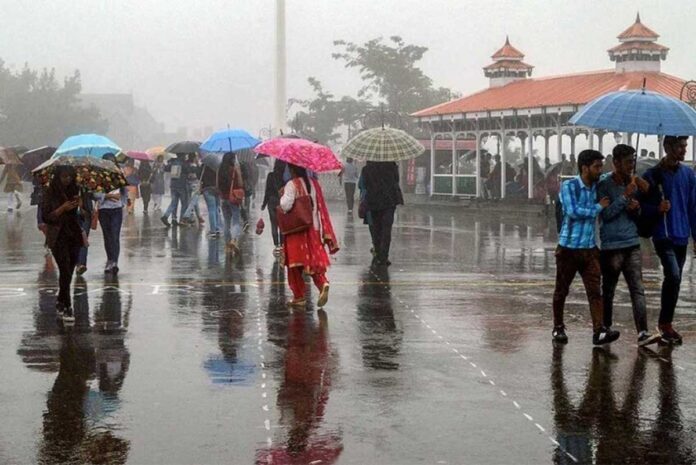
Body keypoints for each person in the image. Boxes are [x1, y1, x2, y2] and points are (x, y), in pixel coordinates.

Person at [551, 149, 619, 346]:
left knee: (594, 291)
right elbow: (572, 211)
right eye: (596, 167)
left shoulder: (598, 185)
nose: (600, 170)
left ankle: (598, 331)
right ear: (584, 167)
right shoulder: (568, 186)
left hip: (589, 249)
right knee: (561, 290)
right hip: (568, 248)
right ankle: (558, 327)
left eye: (601, 166)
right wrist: (599, 207)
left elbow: (610, 176)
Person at [597, 144, 659, 346]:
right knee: (609, 290)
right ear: (616, 162)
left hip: (632, 242)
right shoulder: (604, 184)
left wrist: (636, 207)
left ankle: (642, 332)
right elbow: (606, 214)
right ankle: (605, 328)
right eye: (628, 162)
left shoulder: (633, 182)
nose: (631, 165)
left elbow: (636, 215)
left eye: (633, 161)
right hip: (612, 245)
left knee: (637, 289)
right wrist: (625, 197)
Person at [639, 135, 696, 344]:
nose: (683, 150)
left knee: (676, 279)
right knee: (672, 274)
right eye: (680, 146)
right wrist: (656, 208)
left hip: (682, 235)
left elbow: (693, 207)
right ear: (667, 147)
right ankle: (665, 323)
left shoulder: (689, 175)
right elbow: (640, 206)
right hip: (662, 234)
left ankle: (666, 324)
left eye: (685, 146)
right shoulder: (652, 175)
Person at [279, 163, 338, 308]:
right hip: (314, 228)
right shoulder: (314, 184)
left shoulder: (292, 185)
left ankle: (299, 296)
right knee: (312, 261)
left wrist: (282, 196)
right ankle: (322, 282)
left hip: (297, 229)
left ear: (292, 170)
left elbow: (286, 206)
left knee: (294, 264)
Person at [41, 165, 87, 323]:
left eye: (69, 176)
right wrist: (62, 208)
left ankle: (60, 300)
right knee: (64, 267)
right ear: (58, 177)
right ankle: (67, 306)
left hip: (73, 234)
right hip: (57, 236)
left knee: (69, 270)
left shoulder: (77, 190)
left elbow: (86, 215)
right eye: (64, 176)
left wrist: (81, 206)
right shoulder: (49, 192)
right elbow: (46, 216)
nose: (67, 179)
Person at [360, 161, 403, 267]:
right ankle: (384, 256)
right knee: (386, 230)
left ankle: (378, 253)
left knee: (375, 229)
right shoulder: (392, 167)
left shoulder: (366, 169)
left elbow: (363, 184)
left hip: (373, 201)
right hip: (389, 201)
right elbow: (396, 181)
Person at [95, 153, 127, 274]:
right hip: (104, 210)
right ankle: (109, 259)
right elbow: (95, 194)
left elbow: (124, 190)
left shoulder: (119, 174)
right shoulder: (98, 176)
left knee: (115, 235)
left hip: (116, 210)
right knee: (107, 236)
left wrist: (122, 201)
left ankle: (114, 261)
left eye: (112, 162)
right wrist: (108, 195)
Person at [217, 152, 244, 254]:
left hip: (224, 198)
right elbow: (241, 184)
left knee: (227, 222)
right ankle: (234, 240)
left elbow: (217, 185)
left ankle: (227, 245)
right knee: (236, 220)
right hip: (233, 198)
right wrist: (238, 171)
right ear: (232, 159)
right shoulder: (234, 170)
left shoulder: (220, 170)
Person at [261, 159, 287, 255]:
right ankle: (283, 245)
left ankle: (277, 245)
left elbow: (267, 191)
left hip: (271, 201)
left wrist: (264, 204)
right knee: (282, 224)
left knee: (273, 224)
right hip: (281, 200)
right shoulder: (285, 177)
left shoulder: (270, 175)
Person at [161, 153, 190, 227]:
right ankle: (182, 220)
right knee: (184, 203)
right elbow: (188, 170)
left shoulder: (173, 162)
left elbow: (166, 168)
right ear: (183, 155)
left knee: (174, 202)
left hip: (173, 185)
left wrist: (170, 162)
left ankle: (169, 217)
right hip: (182, 185)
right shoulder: (183, 163)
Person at [181, 154, 205, 226]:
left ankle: (199, 217)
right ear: (194, 157)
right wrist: (198, 164)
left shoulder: (186, 164)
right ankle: (186, 216)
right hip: (195, 184)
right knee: (193, 201)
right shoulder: (195, 166)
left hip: (187, 183)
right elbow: (199, 174)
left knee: (193, 201)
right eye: (196, 157)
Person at [200, 164, 221, 237]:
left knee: (211, 209)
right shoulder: (218, 166)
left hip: (207, 189)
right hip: (216, 189)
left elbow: (200, 176)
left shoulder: (205, 166)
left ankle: (213, 230)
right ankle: (217, 228)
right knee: (217, 208)